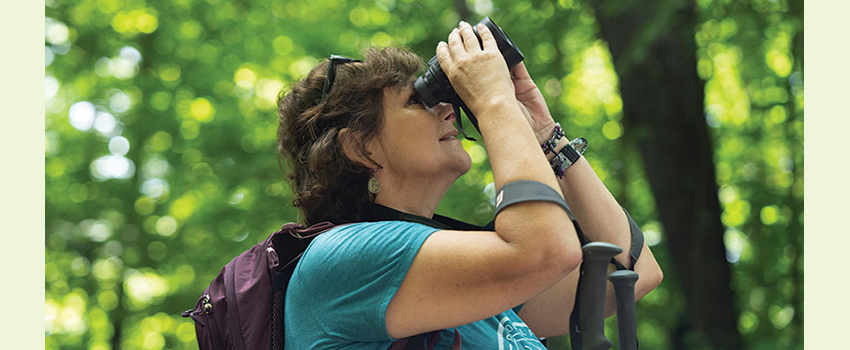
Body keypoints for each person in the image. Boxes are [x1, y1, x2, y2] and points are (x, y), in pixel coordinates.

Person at [276, 21, 663, 349]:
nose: (447, 108)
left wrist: (545, 136)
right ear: (360, 148)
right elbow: (547, 250)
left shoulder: (462, 283)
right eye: (418, 101)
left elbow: (632, 272)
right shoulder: (342, 261)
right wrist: (494, 101)